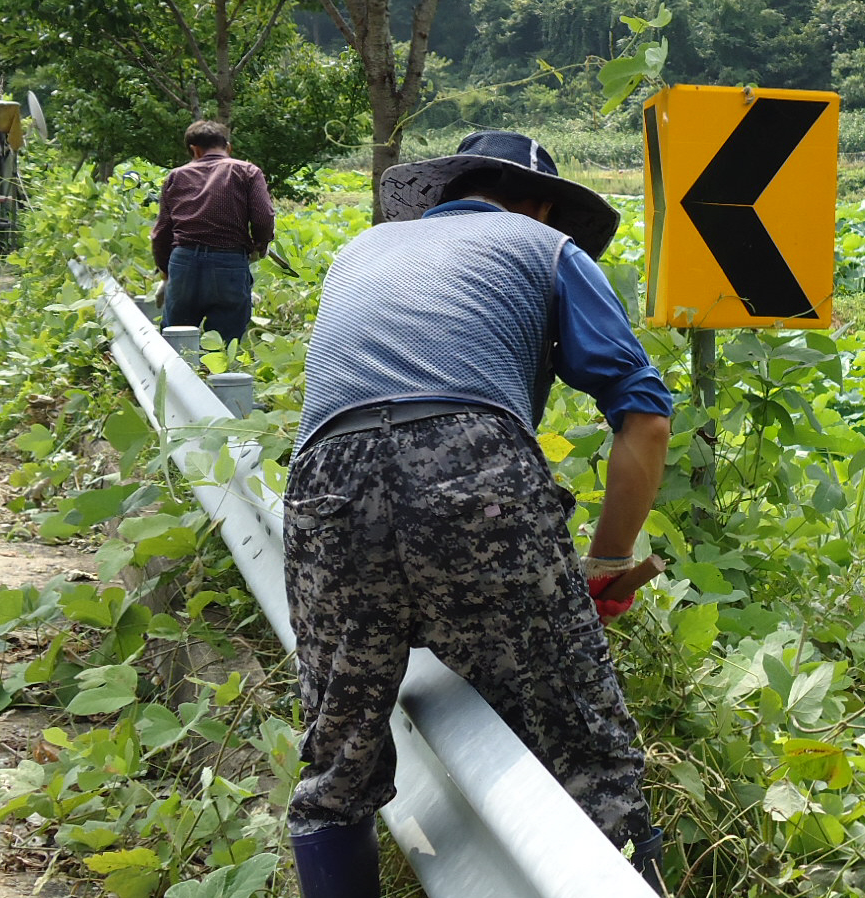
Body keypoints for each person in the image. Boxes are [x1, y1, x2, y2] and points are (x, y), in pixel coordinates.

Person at [283, 130, 674, 897]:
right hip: (471, 466)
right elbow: (645, 417)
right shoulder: (543, 246)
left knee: (338, 766)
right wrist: (603, 563)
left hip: (324, 482)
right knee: (585, 747)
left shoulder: (361, 252)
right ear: (540, 204)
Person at [150, 119, 274, 344]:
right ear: (228, 147)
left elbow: (161, 233)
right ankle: (217, 378)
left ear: (194, 150)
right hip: (229, 262)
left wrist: (165, 273)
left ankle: (176, 378)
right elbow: (263, 217)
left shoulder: (176, 176)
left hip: (184, 262)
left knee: (178, 341)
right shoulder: (247, 172)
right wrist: (260, 245)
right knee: (224, 344)